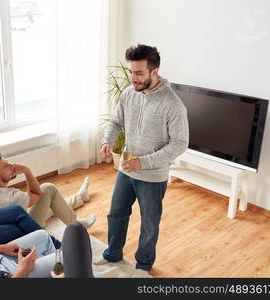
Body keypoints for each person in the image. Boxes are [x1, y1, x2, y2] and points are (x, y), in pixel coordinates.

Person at [96, 44, 189, 277]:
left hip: (152, 176)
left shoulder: (173, 104)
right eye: (131, 72)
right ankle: (113, 253)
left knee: (149, 224)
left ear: (154, 72)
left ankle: (143, 266)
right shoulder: (129, 93)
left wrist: (144, 162)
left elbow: (180, 143)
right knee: (116, 213)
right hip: (126, 170)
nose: (133, 78)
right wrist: (107, 140)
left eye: (139, 73)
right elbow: (116, 121)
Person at [0, 223, 118, 278]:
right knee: (74, 236)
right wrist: (23, 270)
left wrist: (0, 249)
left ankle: (72, 268)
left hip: (2, 266)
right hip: (12, 273)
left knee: (43, 236)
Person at [0, 152, 96, 228]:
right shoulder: (12, 197)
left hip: (13, 223)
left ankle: (80, 197)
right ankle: (77, 226)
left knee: (54, 205)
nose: (11, 166)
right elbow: (37, 193)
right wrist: (26, 170)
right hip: (26, 230)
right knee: (48, 189)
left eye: (7, 162)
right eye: (5, 167)